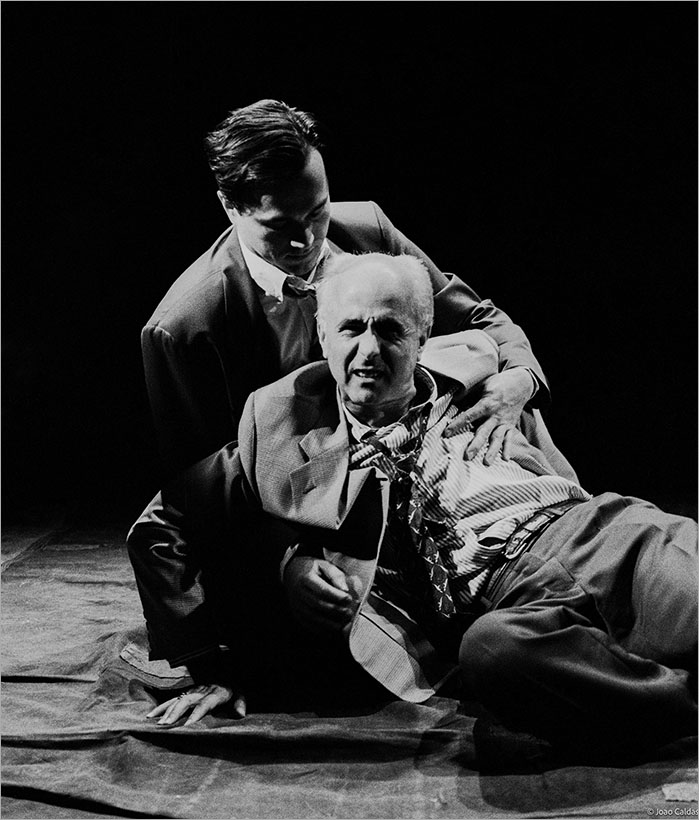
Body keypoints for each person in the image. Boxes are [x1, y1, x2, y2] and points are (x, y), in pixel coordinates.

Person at [127, 252, 697, 762]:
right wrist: (213, 661)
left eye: (390, 330)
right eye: (351, 328)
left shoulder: (477, 377)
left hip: (598, 536)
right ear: (323, 334)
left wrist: (520, 379)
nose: (369, 350)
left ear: (423, 336)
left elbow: (499, 337)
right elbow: (162, 525)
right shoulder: (278, 427)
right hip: (505, 611)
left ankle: (622, 709)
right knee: (491, 655)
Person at [141, 98, 573, 481]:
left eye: (317, 212)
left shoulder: (368, 229)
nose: (307, 240)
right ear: (229, 207)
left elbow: (477, 319)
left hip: (429, 452)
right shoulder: (184, 327)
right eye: (279, 226)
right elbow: (201, 480)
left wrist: (521, 378)